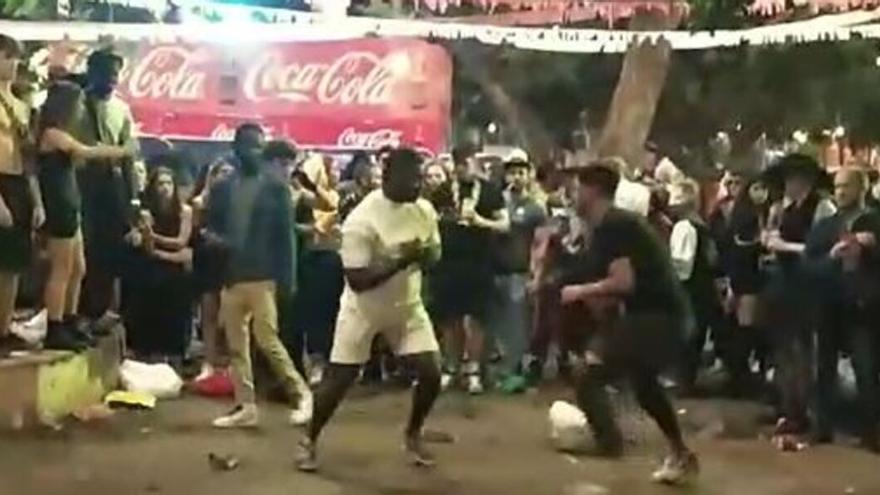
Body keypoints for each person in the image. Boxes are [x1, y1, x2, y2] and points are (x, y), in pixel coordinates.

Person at [295, 147, 443, 472]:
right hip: (363, 309)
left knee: (432, 373)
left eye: (421, 179)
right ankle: (309, 438)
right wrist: (401, 259)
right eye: (412, 179)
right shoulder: (363, 219)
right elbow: (358, 279)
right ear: (390, 178)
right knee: (340, 380)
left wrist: (423, 255)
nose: (419, 186)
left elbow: (434, 256)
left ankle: (413, 434)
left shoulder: (424, 210)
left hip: (407, 305)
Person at [559, 161, 698, 484]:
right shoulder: (610, 226)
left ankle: (610, 443)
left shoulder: (614, 225)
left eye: (578, 188)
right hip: (658, 315)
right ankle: (680, 453)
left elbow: (623, 282)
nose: (573, 195)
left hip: (659, 317)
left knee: (589, 371)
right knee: (644, 385)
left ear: (593, 191)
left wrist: (580, 291)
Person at [206, 123, 312, 428]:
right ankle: (245, 405)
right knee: (237, 346)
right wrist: (214, 240)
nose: (255, 151)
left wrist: (288, 279)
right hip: (232, 273)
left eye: (259, 145)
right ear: (236, 148)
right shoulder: (224, 187)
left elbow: (286, 237)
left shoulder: (276, 187)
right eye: (250, 145)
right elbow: (213, 226)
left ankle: (302, 394)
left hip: (263, 274)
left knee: (268, 340)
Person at [37, 81, 130, 351]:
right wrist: (121, 150)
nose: (80, 110)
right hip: (58, 203)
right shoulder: (51, 133)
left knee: (79, 267)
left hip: (70, 201)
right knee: (62, 268)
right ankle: (54, 325)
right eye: (77, 104)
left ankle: (69, 318)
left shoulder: (64, 133)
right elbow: (84, 152)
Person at [761, 153, 836, 444]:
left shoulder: (823, 208)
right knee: (783, 349)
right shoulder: (783, 207)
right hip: (782, 283)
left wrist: (784, 245)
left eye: (792, 178)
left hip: (808, 285)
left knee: (804, 350)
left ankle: (803, 411)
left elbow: (821, 248)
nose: (788, 184)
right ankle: (788, 407)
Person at [806, 168, 880, 453]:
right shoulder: (826, 226)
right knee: (824, 368)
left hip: (863, 307)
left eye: (846, 186)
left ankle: (871, 431)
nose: (840, 192)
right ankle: (822, 426)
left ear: (861, 188)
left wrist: (873, 246)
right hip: (829, 305)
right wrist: (830, 257)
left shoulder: (874, 221)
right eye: (836, 187)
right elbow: (808, 264)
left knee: (866, 368)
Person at [433, 144, 509, 394]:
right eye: (460, 164)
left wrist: (479, 221)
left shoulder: (489, 191)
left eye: (469, 163)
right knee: (451, 318)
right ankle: (450, 368)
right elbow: (430, 220)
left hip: (480, 262)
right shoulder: (442, 191)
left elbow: (504, 225)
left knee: (477, 319)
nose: (465, 168)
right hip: (449, 262)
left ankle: (474, 368)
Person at [77, 48, 139, 324]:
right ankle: (76, 313)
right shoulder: (76, 104)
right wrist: (116, 151)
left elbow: (131, 153)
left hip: (112, 188)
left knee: (108, 253)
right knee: (82, 252)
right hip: (81, 185)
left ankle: (97, 313)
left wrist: (134, 199)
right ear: (93, 73)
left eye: (116, 73)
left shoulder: (122, 109)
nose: (113, 79)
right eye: (107, 73)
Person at [0, 34, 45, 354]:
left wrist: (37, 199)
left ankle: (3, 328)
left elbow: (29, 158)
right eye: (6, 57)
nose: (13, 64)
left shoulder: (19, 105)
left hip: (19, 182)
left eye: (14, 58)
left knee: (13, 262)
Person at [123, 166, 193, 363]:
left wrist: (155, 239)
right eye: (160, 183)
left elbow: (181, 241)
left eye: (169, 183)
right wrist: (149, 235)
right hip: (154, 265)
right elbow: (148, 249)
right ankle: (147, 350)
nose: (165, 188)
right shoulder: (146, 213)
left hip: (174, 266)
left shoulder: (185, 211)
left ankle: (175, 352)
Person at [490, 158, 546, 392]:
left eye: (521, 172)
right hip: (494, 269)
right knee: (497, 324)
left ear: (529, 175)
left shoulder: (536, 207)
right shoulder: (496, 202)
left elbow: (541, 243)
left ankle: (513, 372)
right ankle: (500, 369)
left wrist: (536, 273)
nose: (516, 177)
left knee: (516, 324)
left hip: (519, 271)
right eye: (512, 173)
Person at [668, 180, 721, 394]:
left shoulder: (684, 226)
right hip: (703, 287)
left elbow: (682, 262)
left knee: (687, 336)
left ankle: (684, 382)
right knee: (695, 335)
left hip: (690, 288)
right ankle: (686, 380)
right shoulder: (700, 225)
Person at [191, 159, 235, 380]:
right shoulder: (203, 200)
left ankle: (229, 362)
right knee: (209, 312)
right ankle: (208, 362)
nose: (225, 177)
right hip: (209, 259)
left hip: (232, 259)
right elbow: (196, 228)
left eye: (229, 173)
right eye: (221, 173)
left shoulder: (238, 201)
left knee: (230, 315)